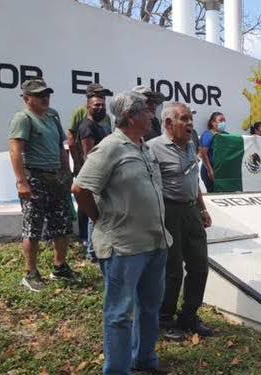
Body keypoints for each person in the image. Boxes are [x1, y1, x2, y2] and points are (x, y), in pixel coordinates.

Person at [72, 91, 171, 374]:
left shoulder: (145, 147)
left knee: (150, 309)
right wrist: (100, 220)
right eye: (147, 111)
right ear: (130, 116)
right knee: (119, 315)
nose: (153, 115)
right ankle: (117, 369)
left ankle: (145, 360)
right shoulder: (110, 147)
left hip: (155, 241)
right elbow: (80, 189)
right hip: (123, 247)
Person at [148, 102, 214, 338]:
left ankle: (189, 316)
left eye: (190, 120)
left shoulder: (190, 143)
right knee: (172, 270)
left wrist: (202, 209)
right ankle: (164, 319)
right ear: (168, 123)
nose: (190, 124)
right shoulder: (152, 148)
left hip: (191, 211)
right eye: (184, 119)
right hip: (168, 212)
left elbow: (193, 179)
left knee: (199, 265)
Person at [8, 79, 76, 292]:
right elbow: (15, 151)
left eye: (46, 94)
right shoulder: (23, 118)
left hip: (57, 178)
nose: (45, 98)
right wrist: (21, 182)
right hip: (35, 178)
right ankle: (31, 273)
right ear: (27, 99)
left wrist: (67, 171)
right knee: (33, 228)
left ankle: (60, 267)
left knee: (62, 224)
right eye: (39, 95)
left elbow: (60, 146)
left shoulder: (53, 115)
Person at [68, 83, 113, 246]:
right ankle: (85, 238)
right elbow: (73, 140)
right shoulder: (82, 116)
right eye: (98, 100)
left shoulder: (106, 118)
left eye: (104, 99)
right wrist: (79, 165)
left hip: (104, 167)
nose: (101, 105)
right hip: (88, 164)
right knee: (85, 199)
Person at [75, 94, 110, 263]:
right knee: (93, 217)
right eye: (96, 105)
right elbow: (89, 155)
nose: (100, 108)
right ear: (88, 106)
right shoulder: (87, 127)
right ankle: (92, 252)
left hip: (103, 175)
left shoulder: (98, 125)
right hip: (96, 177)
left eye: (102, 105)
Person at [199, 112, 227, 192]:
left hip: (221, 171)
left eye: (224, 120)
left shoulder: (226, 135)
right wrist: (210, 170)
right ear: (213, 122)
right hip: (210, 171)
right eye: (221, 120)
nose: (223, 122)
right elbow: (203, 153)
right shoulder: (208, 135)